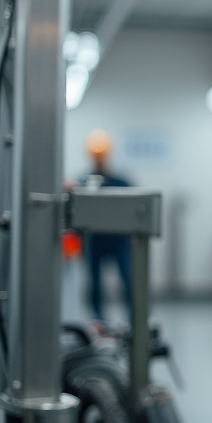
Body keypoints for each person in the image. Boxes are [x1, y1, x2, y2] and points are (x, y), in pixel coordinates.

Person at [80, 129, 134, 322]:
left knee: (129, 280)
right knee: (94, 284)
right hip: (95, 240)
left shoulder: (121, 181)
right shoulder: (84, 182)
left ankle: (134, 321)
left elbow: (132, 210)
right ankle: (99, 322)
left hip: (119, 240)